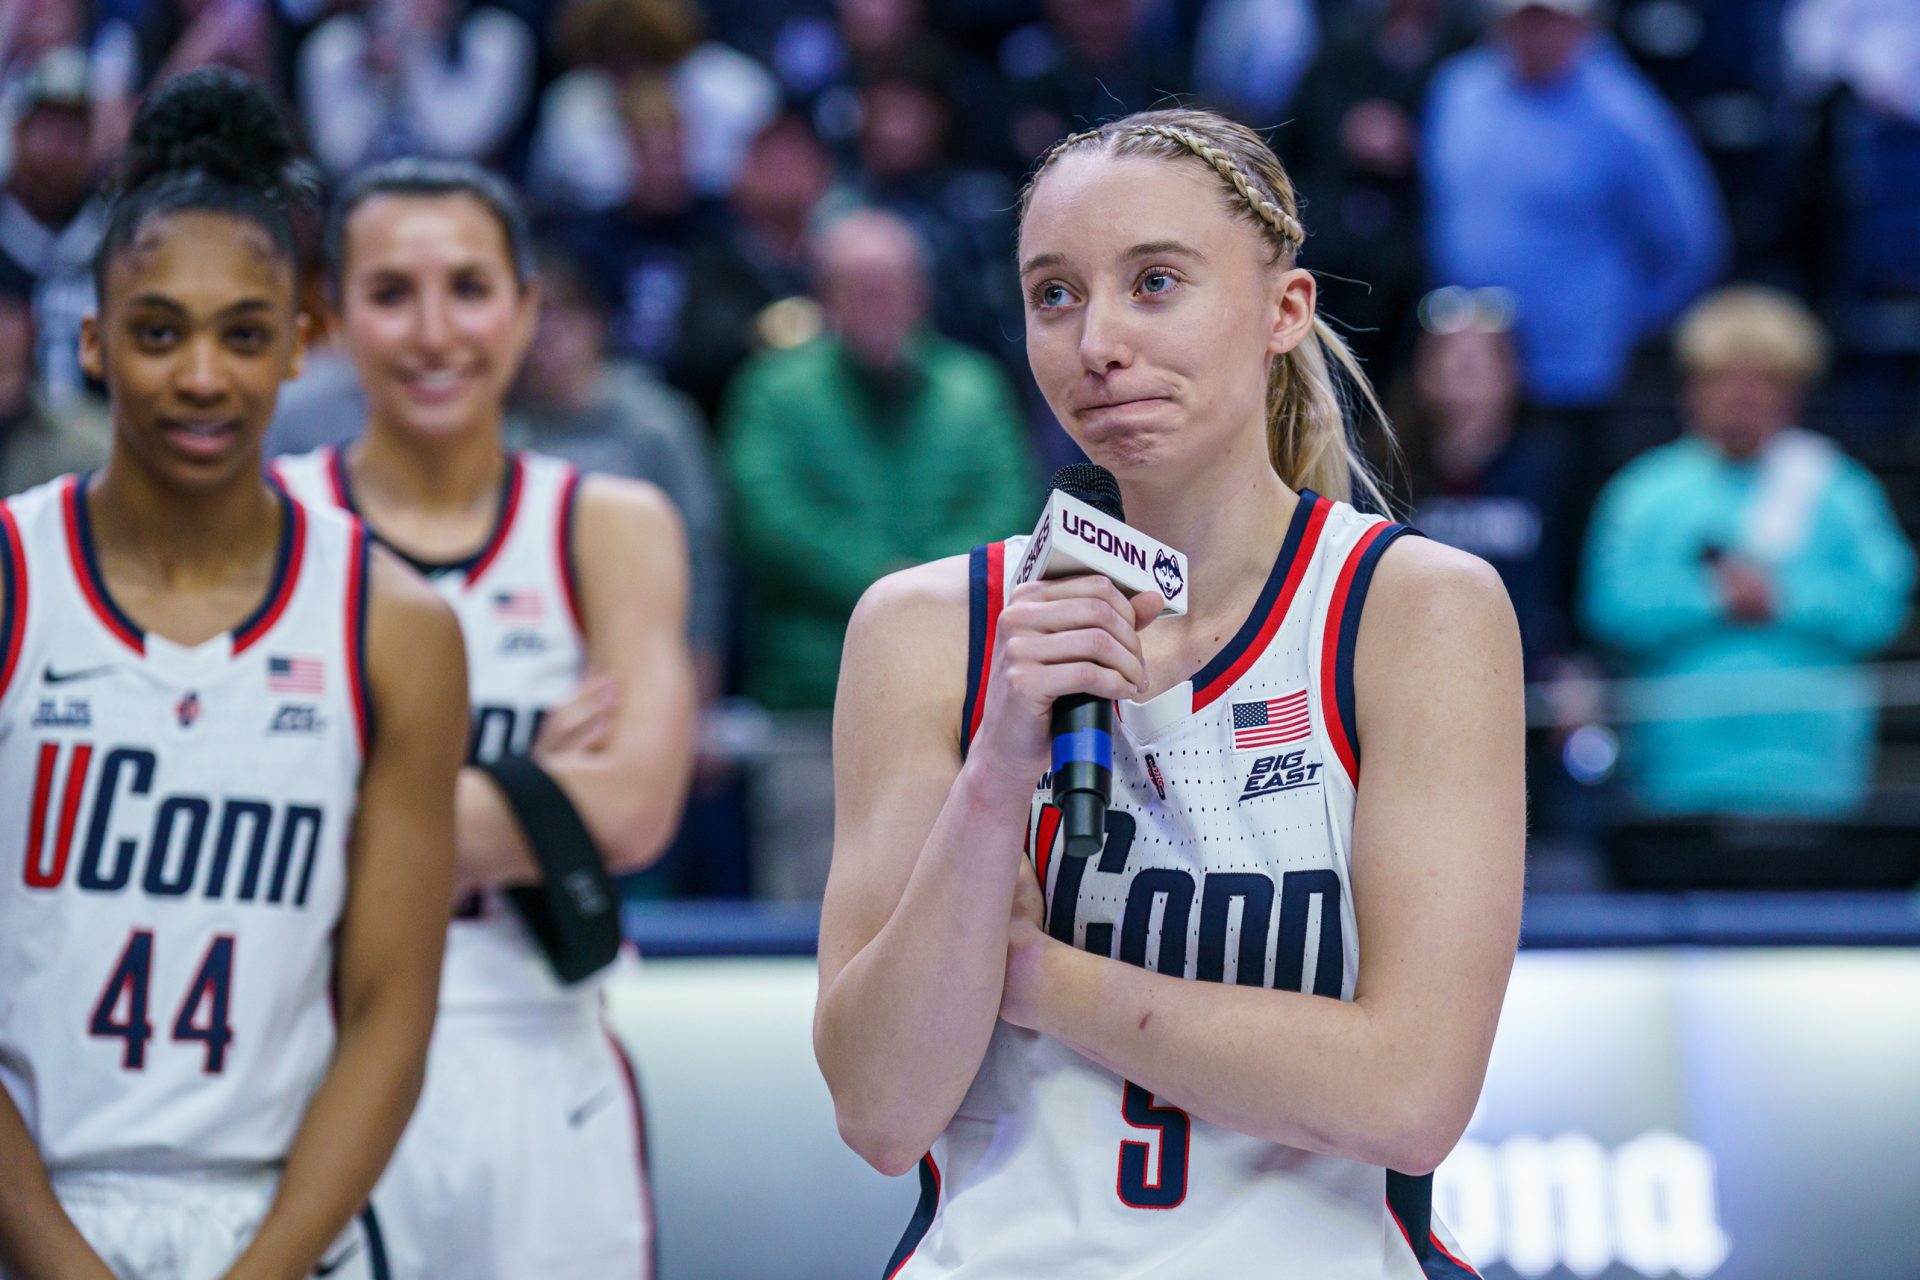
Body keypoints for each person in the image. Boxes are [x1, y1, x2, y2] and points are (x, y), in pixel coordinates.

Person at [815, 108, 1524, 1276]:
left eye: (1155, 282)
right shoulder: (923, 629)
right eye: (1054, 293)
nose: (1097, 340)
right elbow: (881, 1111)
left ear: (1283, 311)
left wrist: (1035, 973)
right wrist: (998, 763)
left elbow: (1408, 1093)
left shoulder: (1415, 609)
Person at [0, 68, 467, 1280]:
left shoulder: (393, 622)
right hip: (28, 1213)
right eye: (158, 330)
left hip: (287, 1224)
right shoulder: (12, 578)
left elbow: (391, 1017)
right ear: (95, 339)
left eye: (242, 333)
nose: (200, 375)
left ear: (300, 342)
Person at [273, 157, 697, 1280]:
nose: (431, 331)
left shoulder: (612, 521)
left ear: (524, 309)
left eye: (466, 287)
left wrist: (342, 790)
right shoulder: (273, 524)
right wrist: (527, 784)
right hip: (304, 1055)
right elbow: (228, 808)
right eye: (390, 292)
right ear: (332, 316)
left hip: (540, 1058)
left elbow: (638, 806)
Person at [723, 207, 1034, 900]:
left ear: (921, 292)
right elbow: (769, 522)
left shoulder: (973, 389)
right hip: (812, 705)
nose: (877, 302)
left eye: (891, 284)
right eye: (857, 286)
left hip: (961, 700)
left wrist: (905, 591)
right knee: (807, 928)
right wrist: (902, 588)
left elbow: (1009, 510)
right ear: (825, 297)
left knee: (957, 918)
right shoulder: (775, 389)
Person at [1581, 285, 1915, 816]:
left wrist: (1784, 598)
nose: (1744, 395)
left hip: (1816, 774)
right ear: (1693, 388)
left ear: (1794, 392)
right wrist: (1712, 597)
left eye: (1764, 381)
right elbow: (1612, 608)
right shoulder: (1645, 494)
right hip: (1677, 776)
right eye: (1725, 379)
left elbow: (1881, 607)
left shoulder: (1840, 492)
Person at [1423, 0, 1728, 410]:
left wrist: (1618, 319)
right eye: (1524, 21)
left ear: (1585, 25)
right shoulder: (1458, 89)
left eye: (1551, 22)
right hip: (1464, 365)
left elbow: (1692, 242)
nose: (1537, 37)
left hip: (1571, 375)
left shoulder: (1626, 113)